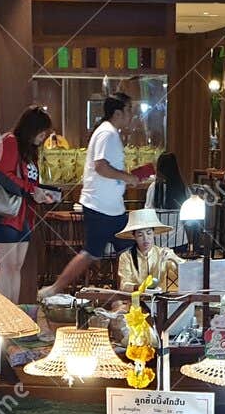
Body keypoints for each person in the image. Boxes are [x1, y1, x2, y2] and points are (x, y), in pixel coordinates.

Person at [40, 93, 152, 299]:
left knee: (127, 251)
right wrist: (128, 177)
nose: (131, 115)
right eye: (128, 110)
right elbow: (100, 166)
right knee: (94, 252)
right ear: (117, 113)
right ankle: (55, 288)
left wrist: (128, 177)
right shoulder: (107, 134)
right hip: (101, 207)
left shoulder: (110, 133)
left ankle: (129, 297)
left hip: (112, 207)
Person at [0, 105, 58, 303]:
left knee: (16, 266)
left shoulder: (28, 151)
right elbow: (0, 174)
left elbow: (28, 182)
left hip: (24, 215)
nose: (44, 136)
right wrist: (32, 190)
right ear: (31, 128)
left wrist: (43, 193)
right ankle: (2, 316)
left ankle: (12, 313)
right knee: (7, 266)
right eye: (42, 131)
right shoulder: (9, 142)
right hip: (5, 214)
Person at [115, 208, 179, 293]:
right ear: (134, 237)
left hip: (159, 300)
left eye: (149, 233)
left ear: (154, 234)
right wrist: (143, 287)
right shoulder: (126, 256)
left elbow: (185, 272)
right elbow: (124, 285)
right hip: (136, 300)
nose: (146, 239)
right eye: (140, 235)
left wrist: (174, 258)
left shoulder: (163, 253)